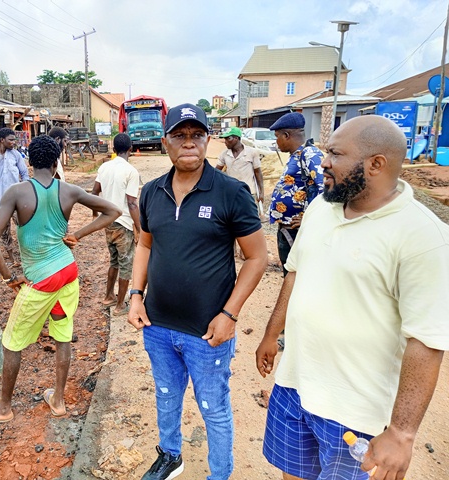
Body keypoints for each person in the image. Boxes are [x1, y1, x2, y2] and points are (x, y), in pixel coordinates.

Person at [255, 115, 449, 480]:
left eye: (335, 154)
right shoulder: (321, 208)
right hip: (294, 386)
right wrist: (270, 334)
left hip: (356, 414)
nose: (324, 162)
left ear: (376, 164)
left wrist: (403, 433)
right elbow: (295, 273)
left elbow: (427, 342)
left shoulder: (423, 237)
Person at [128, 104, 268, 480]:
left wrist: (230, 314)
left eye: (197, 135)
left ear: (208, 139)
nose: (188, 143)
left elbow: (257, 258)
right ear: (165, 142)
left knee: (213, 408)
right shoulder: (151, 192)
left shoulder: (231, 193)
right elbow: (144, 245)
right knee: (166, 396)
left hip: (208, 332)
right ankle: (170, 456)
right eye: (179, 135)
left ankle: (219, 474)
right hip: (157, 325)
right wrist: (136, 294)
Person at [0, 135, 120, 423]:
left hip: (42, 280)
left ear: (29, 162)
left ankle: (3, 408)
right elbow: (114, 211)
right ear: (56, 162)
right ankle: (59, 400)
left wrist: (9, 277)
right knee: (62, 335)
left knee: (12, 341)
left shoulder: (16, 192)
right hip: (68, 273)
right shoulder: (70, 191)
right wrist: (78, 234)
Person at [268, 112, 323, 277]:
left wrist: (309, 217)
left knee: (297, 276)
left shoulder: (309, 154)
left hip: (298, 231)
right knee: (289, 274)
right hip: (288, 229)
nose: (276, 141)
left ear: (286, 135)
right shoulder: (296, 156)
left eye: (277, 137)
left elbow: (325, 187)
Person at [91, 133, 140, 316]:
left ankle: (109, 296)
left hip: (108, 223)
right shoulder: (131, 171)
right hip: (124, 223)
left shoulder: (104, 167)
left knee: (114, 261)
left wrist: (95, 213)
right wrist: (139, 227)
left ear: (113, 150)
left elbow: (94, 192)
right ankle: (120, 306)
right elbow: (132, 203)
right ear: (131, 149)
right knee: (126, 263)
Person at [0, 127, 30, 263]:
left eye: (14, 140)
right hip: (0, 200)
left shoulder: (16, 155)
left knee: (23, 226)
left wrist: (25, 192)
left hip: (17, 199)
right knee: (4, 231)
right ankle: (12, 259)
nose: (13, 142)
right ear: (2, 140)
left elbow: (25, 174)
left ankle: (26, 254)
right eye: (10, 140)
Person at [215, 126, 265, 209]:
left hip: (248, 192)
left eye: (228, 138)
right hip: (231, 192)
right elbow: (216, 172)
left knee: (248, 216)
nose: (225, 142)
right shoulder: (224, 154)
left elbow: (258, 172)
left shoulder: (252, 152)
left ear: (236, 138)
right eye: (225, 139)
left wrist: (261, 192)